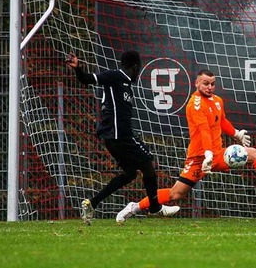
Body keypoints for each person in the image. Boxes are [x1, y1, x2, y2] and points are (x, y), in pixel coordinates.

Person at [115, 69, 256, 223]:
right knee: (175, 194)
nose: (210, 87)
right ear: (196, 84)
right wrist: (207, 155)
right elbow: (204, 130)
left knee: (254, 154)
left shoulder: (217, 101)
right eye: (205, 83)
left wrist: (236, 133)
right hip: (199, 158)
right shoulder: (194, 105)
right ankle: (134, 206)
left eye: (212, 83)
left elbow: (221, 121)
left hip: (217, 154)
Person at [65, 50, 180, 225]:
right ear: (136, 66)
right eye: (138, 68)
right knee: (148, 164)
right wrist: (78, 68)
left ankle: (92, 203)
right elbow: (88, 79)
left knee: (130, 174)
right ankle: (155, 207)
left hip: (116, 138)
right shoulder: (115, 76)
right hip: (119, 136)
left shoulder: (126, 84)